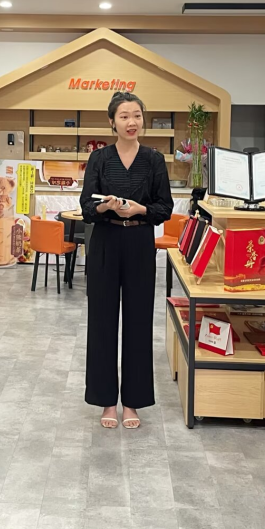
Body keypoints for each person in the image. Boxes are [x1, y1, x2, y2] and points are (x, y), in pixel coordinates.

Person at [81, 91, 173, 430]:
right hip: (105, 241)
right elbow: (86, 208)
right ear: (112, 122)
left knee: (138, 321)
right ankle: (107, 401)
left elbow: (165, 208)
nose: (131, 122)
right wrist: (104, 206)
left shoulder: (154, 159)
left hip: (139, 241)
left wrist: (140, 209)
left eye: (136, 115)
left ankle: (133, 402)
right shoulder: (99, 158)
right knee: (102, 322)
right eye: (124, 116)